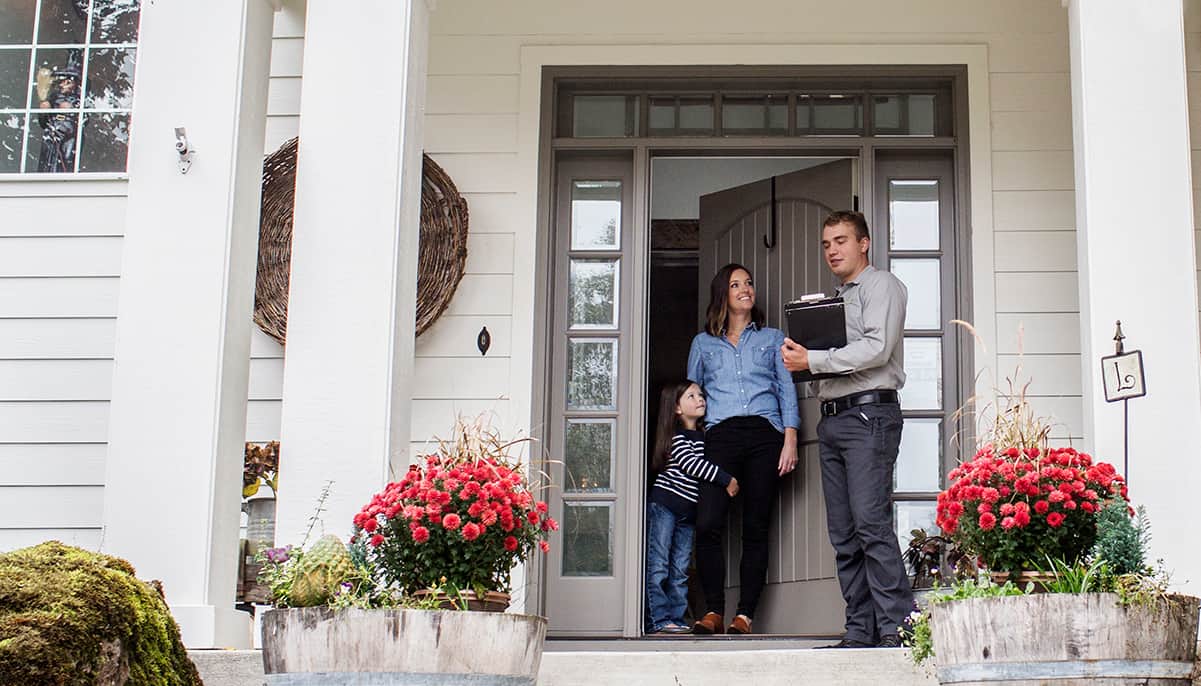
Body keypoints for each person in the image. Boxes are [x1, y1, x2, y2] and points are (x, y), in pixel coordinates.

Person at [780, 210, 912, 649]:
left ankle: (899, 628)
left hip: (870, 416)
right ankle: (861, 630)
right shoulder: (834, 299)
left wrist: (813, 361)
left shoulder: (882, 286)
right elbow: (832, 359)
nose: (832, 250)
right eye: (826, 244)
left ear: (864, 243)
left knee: (871, 524)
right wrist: (801, 360)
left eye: (840, 240)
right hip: (834, 419)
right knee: (844, 533)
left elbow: (877, 348)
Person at [687, 263, 799, 636]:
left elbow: (786, 389)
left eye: (749, 282)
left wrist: (790, 438)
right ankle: (714, 610)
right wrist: (690, 443)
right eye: (736, 285)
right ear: (723, 294)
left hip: (765, 435)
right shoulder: (703, 344)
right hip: (720, 437)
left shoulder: (771, 338)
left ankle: (745, 616)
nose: (745, 289)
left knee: (755, 527)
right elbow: (694, 396)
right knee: (708, 524)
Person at [645, 380, 739, 635]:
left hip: (688, 513)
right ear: (676, 409)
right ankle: (658, 619)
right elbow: (691, 465)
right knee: (659, 565)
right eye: (691, 396)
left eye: (701, 394)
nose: (700, 399)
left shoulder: (706, 436)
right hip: (665, 505)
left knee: (681, 568)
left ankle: (676, 617)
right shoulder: (677, 438)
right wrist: (726, 479)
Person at [37, 64, 81, 173]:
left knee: (65, 159)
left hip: (67, 134)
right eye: (62, 81)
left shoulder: (78, 100)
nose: (63, 84)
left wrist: (69, 112)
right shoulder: (54, 97)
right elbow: (43, 121)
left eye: (67, 82)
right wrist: (45, 110)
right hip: (52, 132)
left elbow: (82, 120)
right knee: (48, 158)